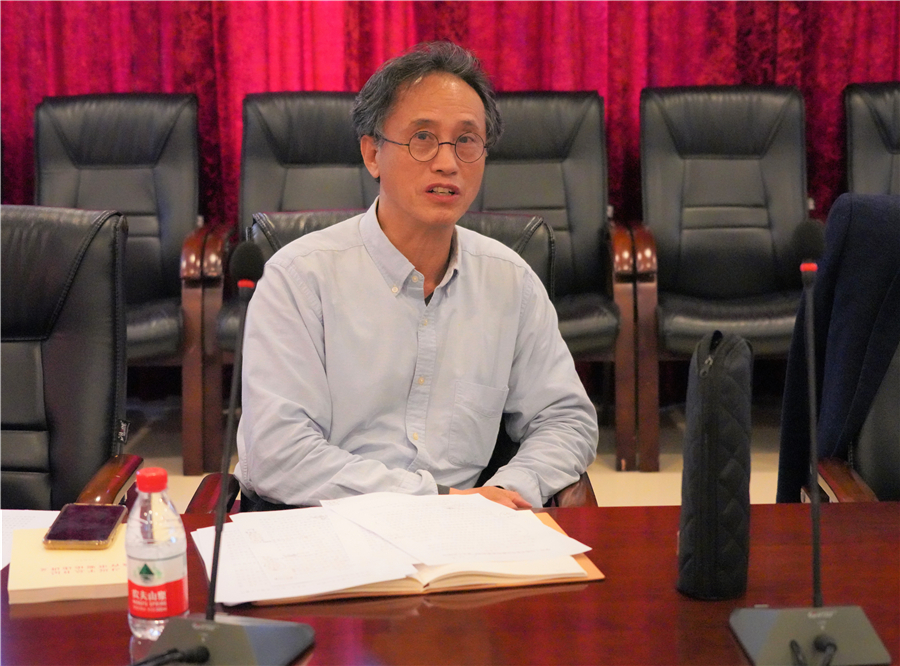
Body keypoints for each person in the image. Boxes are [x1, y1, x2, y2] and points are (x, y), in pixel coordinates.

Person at [235, 41, 598, 510]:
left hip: (470, 528)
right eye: (422, 137)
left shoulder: (511, 282)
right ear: (372, 154)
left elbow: (566, 419)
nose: (448, 162)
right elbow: (277, 454)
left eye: (466, 140)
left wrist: (511, 489)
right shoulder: (300, 279)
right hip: (323, 523)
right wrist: (439, 502)